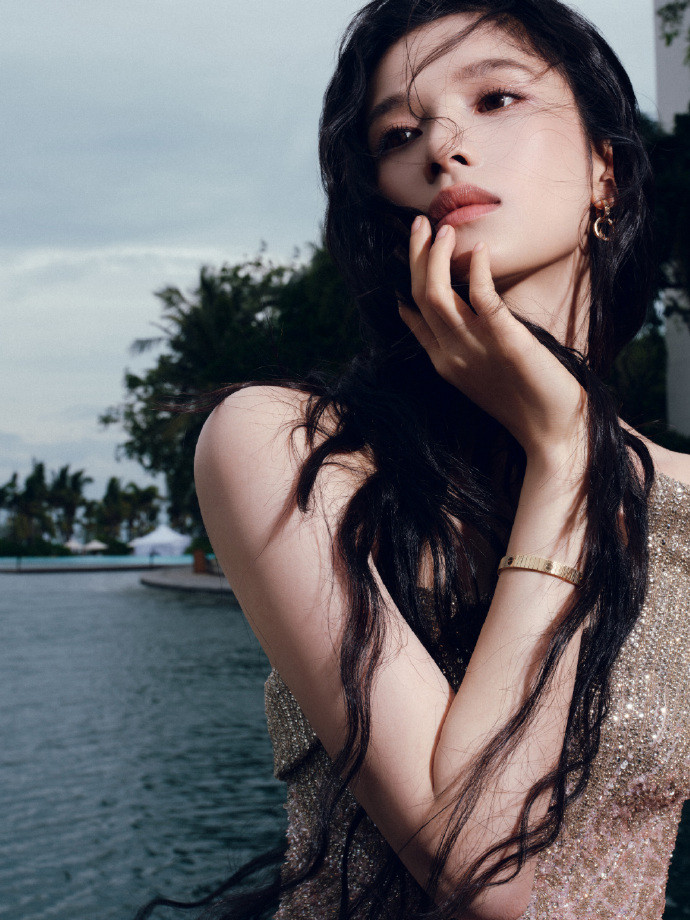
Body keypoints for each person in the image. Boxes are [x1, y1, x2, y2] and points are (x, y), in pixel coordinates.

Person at [191, 1, 690, 918]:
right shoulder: (293, 450)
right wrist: (565, 454)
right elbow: (481, 871)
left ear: (605, 168)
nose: (444, 145)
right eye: (399, 135)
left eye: (496, 98)